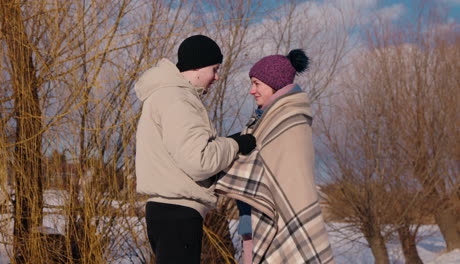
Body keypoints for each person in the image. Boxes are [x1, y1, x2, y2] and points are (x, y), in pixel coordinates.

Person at [134, 34, 256, 264]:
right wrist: (236, 144)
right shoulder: (178, 98)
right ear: (198, 66)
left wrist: (223, 143)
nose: (217, 76)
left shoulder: (165, 95)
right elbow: (199, 162)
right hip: (178, 213)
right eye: (215, 68)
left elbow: (185, 151)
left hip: (165, 211)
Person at [215, 49, 334, 263]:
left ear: (275, 83)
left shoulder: (287, 119)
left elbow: (260, 164)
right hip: (252, 219)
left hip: (274, 221)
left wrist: (213, 160)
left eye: (257, 83)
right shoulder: (265, 118)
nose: (252, 91)